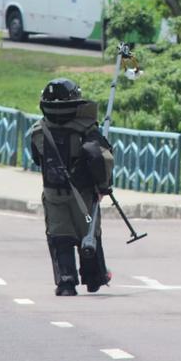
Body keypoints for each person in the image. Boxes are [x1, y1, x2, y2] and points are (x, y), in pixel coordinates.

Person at [28, 78, 114, 296]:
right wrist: (103, 186)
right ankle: (95, 277)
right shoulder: (86, 128)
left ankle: (66, 283)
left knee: (59, 235)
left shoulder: (38, 130)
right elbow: (99, 157)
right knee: (89, 233)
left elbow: (37, 159)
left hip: (52, 192)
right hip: (83, 194)